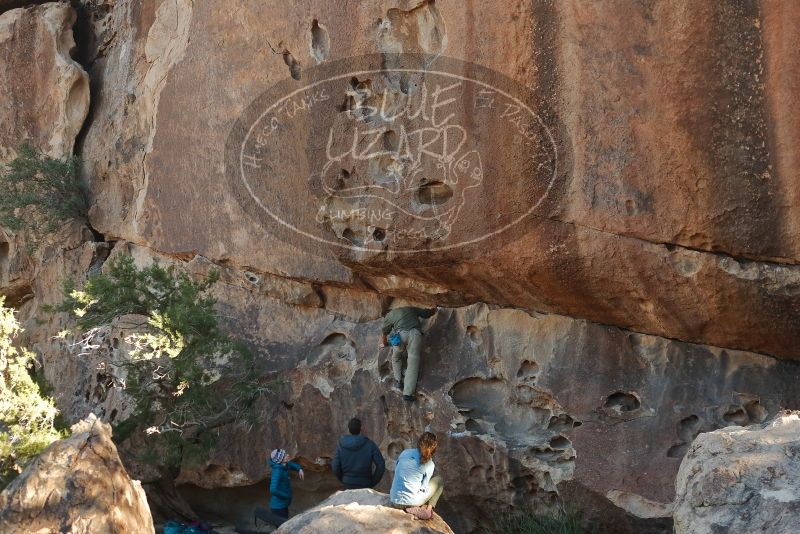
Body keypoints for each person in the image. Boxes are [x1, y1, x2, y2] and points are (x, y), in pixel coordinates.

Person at [381, 304, 437, 401]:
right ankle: (407, 394)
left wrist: (384, 344)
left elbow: (384, 334)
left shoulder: (388, 316)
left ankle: (398, 381)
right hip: (415, 335)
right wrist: (435, 308)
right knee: (412, 362)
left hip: (400, 337)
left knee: (396, 358)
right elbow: (426, 313)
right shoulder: (410, 308)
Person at [389, 432, 443, 520]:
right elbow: (423, 487)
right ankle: (427, 510)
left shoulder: (404, 453)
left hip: (394, 499)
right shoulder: (429, 464)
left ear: (419, 443)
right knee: (439, 480)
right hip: (412, 501)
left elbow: (397, 471)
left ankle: (409, 507)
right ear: (433, 449)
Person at [332, 417, 386, 489]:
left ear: (349, 429)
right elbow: (381, 465)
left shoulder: (341, 445)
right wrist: (373, 482)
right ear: (361, 429)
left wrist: (343, 479)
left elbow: (335, 466)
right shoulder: (370, 444)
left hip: (347, 483)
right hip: (365, 483)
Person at [268, 448, 304, 520]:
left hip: (282, 504)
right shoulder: (277, 471)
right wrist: (286, 495)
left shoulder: (283, 465)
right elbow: (273, 489)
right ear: (280, 460)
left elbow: (290, 464)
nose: (287, 455)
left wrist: (299, 469)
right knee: (282, 525)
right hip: (278, 507)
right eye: (284, 455)